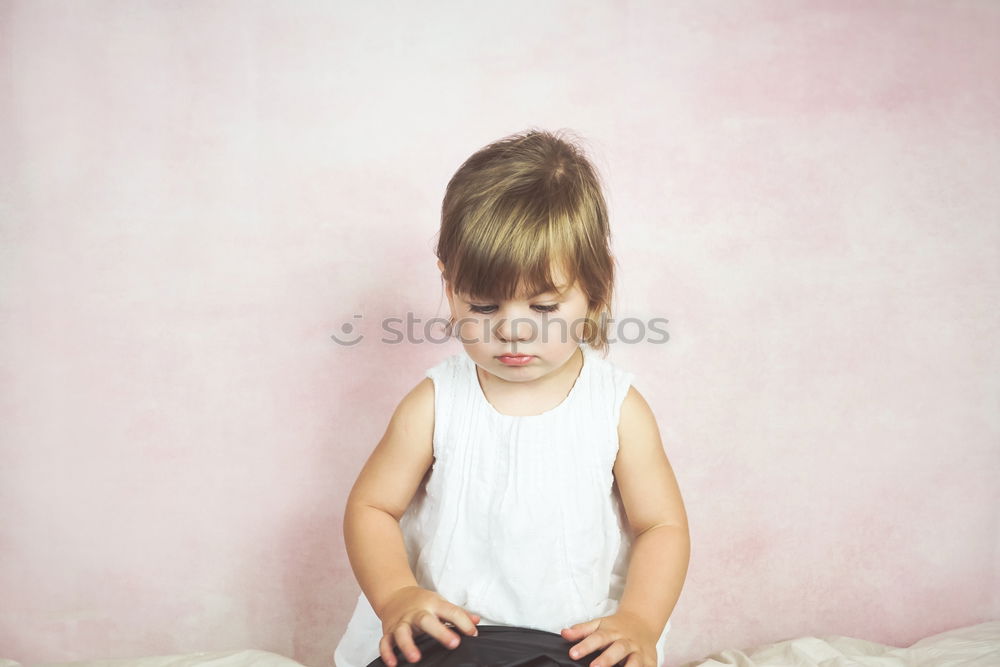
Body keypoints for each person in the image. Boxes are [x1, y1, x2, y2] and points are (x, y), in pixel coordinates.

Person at [334, 129, 690, 667]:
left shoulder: (616, 408)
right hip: (453, 639)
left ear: (596, 288)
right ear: (448, 284)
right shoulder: (436, 402)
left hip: (573, 642)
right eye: (483, 307)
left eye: (544, 308)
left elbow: (660, 525)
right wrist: (398, 598)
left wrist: (638, 620)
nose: (513, 331)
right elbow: (371, 507)